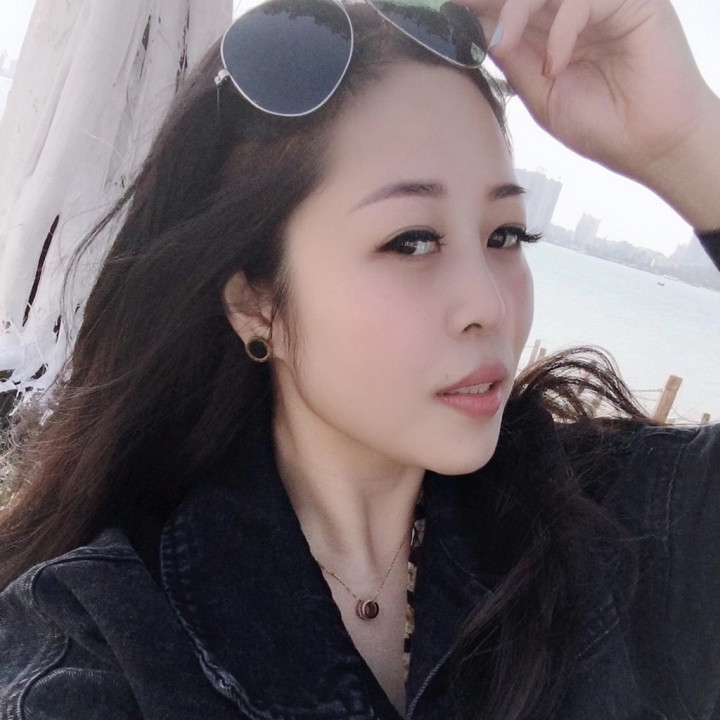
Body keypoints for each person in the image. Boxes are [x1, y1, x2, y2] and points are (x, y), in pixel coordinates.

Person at [1, 0, 719, 718]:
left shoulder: (621, 527)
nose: (489, 304)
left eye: (504, 235)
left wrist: (687, 144)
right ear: (256, 304)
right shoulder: (109, 636)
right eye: (412, 241)